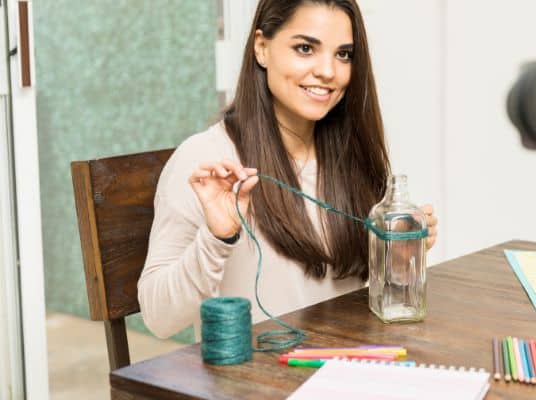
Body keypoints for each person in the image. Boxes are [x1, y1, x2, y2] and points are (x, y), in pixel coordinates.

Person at [138, 0, 438, 339]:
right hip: (253, 383)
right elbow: (158, 318)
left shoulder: (349, 158)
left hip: (341, 366)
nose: (328, 70)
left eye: (343, 54)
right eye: (306, 48)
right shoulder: (206, 160)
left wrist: (395, 260)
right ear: (262, 48)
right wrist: (216, 237)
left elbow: (343, 289)